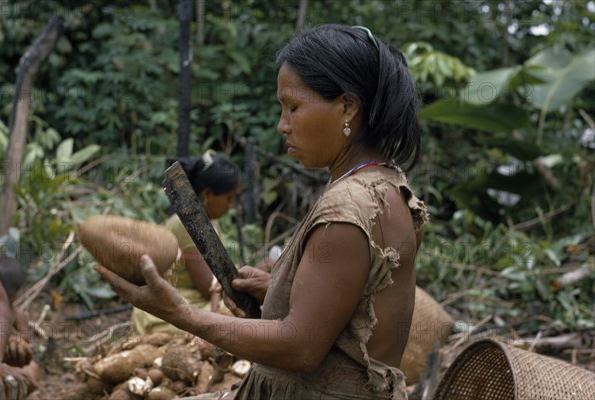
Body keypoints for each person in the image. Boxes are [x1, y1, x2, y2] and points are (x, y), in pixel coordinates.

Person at [96, 24, 427, 399]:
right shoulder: (387, 187)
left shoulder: (348, 209)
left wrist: (180, 314)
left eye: (293, 107)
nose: (282, 125)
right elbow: (355, 311)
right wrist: (277, 291)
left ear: (348, 107)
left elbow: (301, 347)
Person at [131, 151, 243, 335]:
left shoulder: (210, 222)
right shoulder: (186, 225)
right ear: (207, 194)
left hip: (194, 300)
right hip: (170, 305)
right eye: (228, 198)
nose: (231, 205)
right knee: (236, 320)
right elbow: (209, 287)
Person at [0, 256, 39, 399]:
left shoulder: (17, 314)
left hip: (6, 363)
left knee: (32, 370)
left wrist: (14, 341)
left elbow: (25, 338)